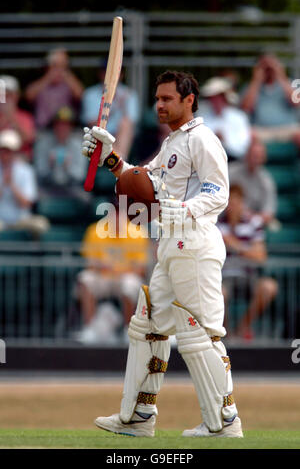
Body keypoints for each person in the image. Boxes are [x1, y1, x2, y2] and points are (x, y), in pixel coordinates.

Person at [81, 70, 243, 438]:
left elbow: (220, 193)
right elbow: (141, 182)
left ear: (189, 100)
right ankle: (139, 416)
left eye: (167, 98)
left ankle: (225, 421)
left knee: (200, 332)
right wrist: (109, 158)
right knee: (148, 326)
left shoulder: (202, 139)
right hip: (170, 243)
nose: (160, 105)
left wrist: (186, 209)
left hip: (196, 241)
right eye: (157, 99)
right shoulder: (172, 142)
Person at [75, 207, 151, 344]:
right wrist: (101, 265)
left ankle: (128, 329)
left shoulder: (138, 232)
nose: (116, 218)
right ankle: (90, 328)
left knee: (130, 284)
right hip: (103, 277)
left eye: (119, 214)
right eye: (113, 214)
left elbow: (140, 269)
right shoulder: (95, 230)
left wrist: (118, 269)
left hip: (125, 276)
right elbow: (89, 263)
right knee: (86, 279)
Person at [218, 184, 278, 340]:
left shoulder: (253, 223)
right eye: (230, 202)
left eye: (236, 202)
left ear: (242, 203)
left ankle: (242, 328)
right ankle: (226, 333)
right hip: (223, 277)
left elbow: (260, 256)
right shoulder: (216, 224)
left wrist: (235, 245)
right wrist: (247, 249)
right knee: (218, 292)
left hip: (248, 276)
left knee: (269, 287)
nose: (233, 206)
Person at [81, 65, 140, 160]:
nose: (110, 76)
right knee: (98, 131)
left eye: (114, 72)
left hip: (121, 137)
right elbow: (91, 123)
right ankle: (119, 162)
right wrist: (115, 107)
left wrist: (123, 106)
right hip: (99, 135)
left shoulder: (129, 94)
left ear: (121, 75)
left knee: (126, 124)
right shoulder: (90, 94)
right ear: (100, 74)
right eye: (106, 72)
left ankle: (119, 158)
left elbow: (132, 121)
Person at [240, 53, 300, 145]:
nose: (268, 70)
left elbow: (296, 102)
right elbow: (246, 108)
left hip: (287, 128)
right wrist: (256, 80)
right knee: (247, 136)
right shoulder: (250, 87)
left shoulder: (290, 83)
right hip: (261, 130)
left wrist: (281, 76)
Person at [0, 129, 49, 237]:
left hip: (21, 220)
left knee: (41, 224)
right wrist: (3, 185)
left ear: (15, 152)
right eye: (3, 150)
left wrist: (12, 185)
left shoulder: (26, 171)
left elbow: (26, 203)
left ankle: (37, 253)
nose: (5, 154)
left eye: (8, 151)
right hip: (1, 220)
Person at [34, 106, 88, 200]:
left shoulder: (78, 144)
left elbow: (81, 175)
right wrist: (49, 165)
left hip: (72, 187)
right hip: (48, 187)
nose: (62, 128)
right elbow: (39, 173)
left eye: (66, 124)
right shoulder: (43, 142)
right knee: (34, 196)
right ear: (54, 125)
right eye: (59, 124)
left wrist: (68, 167)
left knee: (85, 199)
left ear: (71, 127)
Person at [25, 48, 84, 129]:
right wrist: (49, 76)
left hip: (65, 130)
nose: (58, 69)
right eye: (55, 65)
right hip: (43, 129)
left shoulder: (69, 82)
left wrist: (65, 73)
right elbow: (29, 96)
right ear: (47, 66)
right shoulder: (41, 82)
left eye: (62, 65)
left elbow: (80, 95)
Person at [196, 77, 251, 161]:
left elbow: (242, 148)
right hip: (207, 161)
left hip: (234, 161)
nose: (215, 101)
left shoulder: (239, 117)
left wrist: (224, 141)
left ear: (225, 98)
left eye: (218, 97)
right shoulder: (202, 116)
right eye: (212, 98)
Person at [228, 137, 277, 227]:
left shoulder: (266, 180)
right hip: (227, 220)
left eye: (259, 156)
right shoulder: (230, 172)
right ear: (247, 155)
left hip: (253, 225)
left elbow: (268, 213)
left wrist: (251, 217)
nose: (256, 159)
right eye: (253, 155)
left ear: (264, 158)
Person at [0, 75, 35, 159]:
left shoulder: (25, 116)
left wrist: (12, 119)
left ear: (17, 96)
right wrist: (5, 118)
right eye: (3, 95)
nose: (6, 98)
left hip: (20, 158)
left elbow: (29, 139)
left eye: (10, 95)